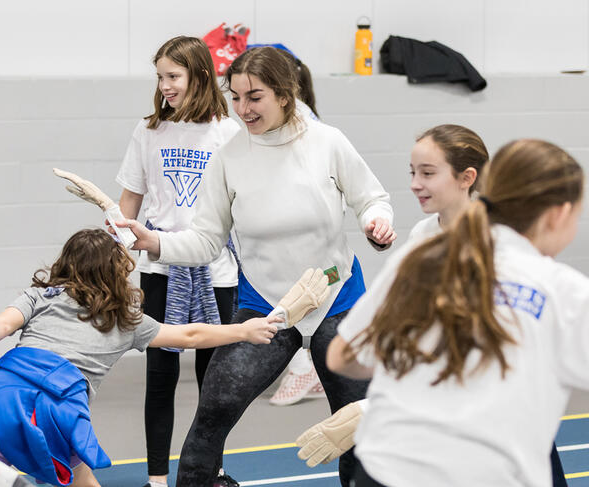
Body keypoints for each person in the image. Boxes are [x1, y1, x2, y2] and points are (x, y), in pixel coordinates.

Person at [117, 46, 396, 486]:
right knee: (210, 420)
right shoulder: (229, 155)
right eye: (237, 97)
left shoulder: (328, 142)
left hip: (337, 301)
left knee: (356, 431)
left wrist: (375, 222)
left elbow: (371, 199)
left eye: (255, 97)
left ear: (285, 95)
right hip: (266, 306)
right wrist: (155, 242)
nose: (243, 109)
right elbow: (207, 240)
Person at [0, 229, 323, 487]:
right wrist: (244, 330)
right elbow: (190, 333)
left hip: (4, 390)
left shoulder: (43, 296)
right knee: (77, 473)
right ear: (117, 273)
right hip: (59, 402)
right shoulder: (125, 319)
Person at [299, 126, 567, 486]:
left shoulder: (502, 241)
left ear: (466, 178)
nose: (414, 183)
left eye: (427, 173)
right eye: (412, 172)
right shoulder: (422, 237)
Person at [115, 35, 241, 487]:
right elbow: (129, 200)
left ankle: (212, 468)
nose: (165, 85)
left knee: (216, 381)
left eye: (173, 76)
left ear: (199, 76)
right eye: (160, 77)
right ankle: (155, 478)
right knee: (161, 374)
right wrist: (116, 254)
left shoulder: (229, 132)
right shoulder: (149, 131)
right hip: (160, 267)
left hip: (217, 270)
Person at [267, 47, 325, 407]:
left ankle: (305, 364)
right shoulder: (297, 115)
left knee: (298, 297)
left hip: (300, 227)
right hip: (290, 225)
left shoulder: (302, 120)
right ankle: (310, 366)